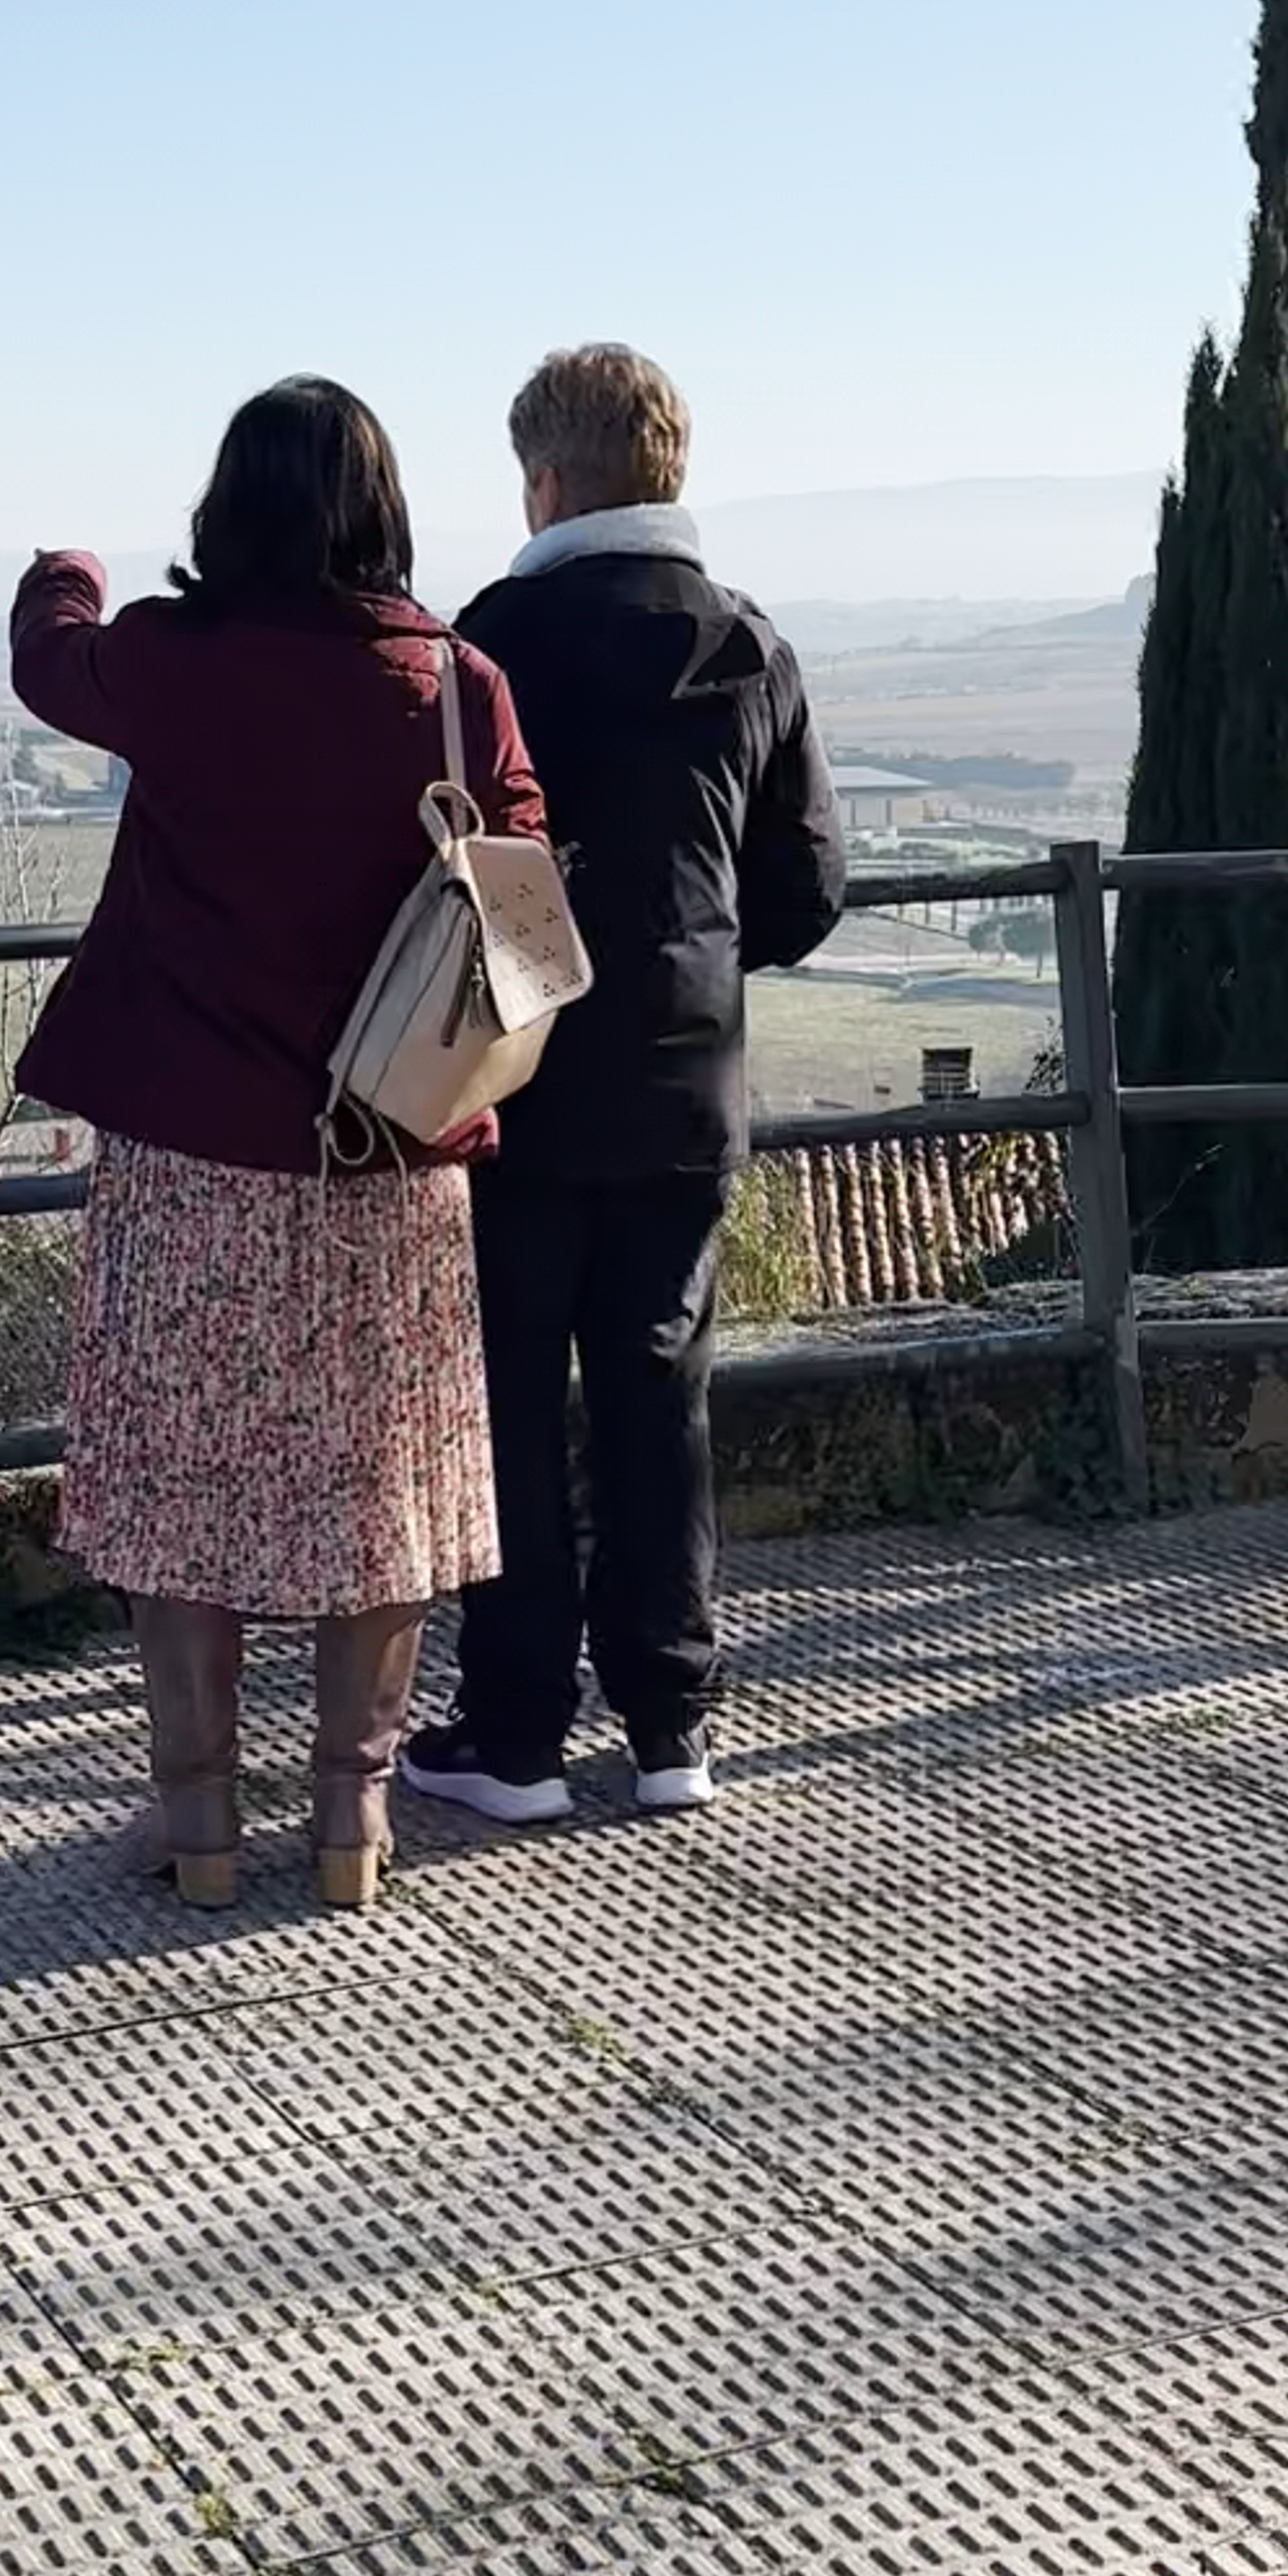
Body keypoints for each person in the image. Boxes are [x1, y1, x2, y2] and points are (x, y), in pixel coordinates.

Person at [9, 379, 546, 1908]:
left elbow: (53, 662)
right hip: (390, 1148)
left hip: (189, 1156)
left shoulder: (177, 666)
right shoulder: (457, 683)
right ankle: (351, 1822)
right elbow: (519, 872)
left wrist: (68, 569)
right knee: (377, 1486)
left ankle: (197, 1828)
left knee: (182, 1484)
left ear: (227, 509)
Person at [403, 344, 845, 1829]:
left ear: (543, 476)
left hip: (517, 1076)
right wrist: (702, 960)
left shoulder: (492, 642)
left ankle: (516, 1733)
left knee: (516, 1396)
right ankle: (671, 1723)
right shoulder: (745, 639)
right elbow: (810, 885)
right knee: (662, 1387)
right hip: (684, 1075)